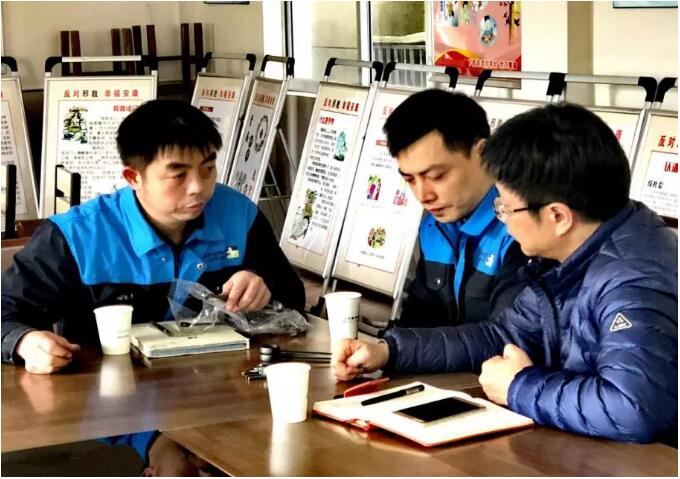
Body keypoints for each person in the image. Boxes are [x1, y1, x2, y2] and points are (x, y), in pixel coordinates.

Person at [333, 103, 678, 444]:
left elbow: (633, 409)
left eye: (506, 209)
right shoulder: (569, 257)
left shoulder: (634, 279)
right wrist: (390, 351)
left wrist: (519, 386)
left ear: (558, 217)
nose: (504, 222)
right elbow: (501, 335)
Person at [1, 99, 305, 473]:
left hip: (224, 403)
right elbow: (5, 310)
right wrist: (22, 341)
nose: (199, 188)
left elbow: (293, 297)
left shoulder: (238, 215)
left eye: (208, 168)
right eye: (178, 175)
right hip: (110, 417)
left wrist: (264, 283)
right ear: (134, 177)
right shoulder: (78, 236)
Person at [383, 89, 528, 328]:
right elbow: (417, 322)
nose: (423, 196)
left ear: (483, 153)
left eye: (436, 176)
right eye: (410, 179)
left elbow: (503, 336)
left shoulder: (521, 231)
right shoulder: (433, 227)